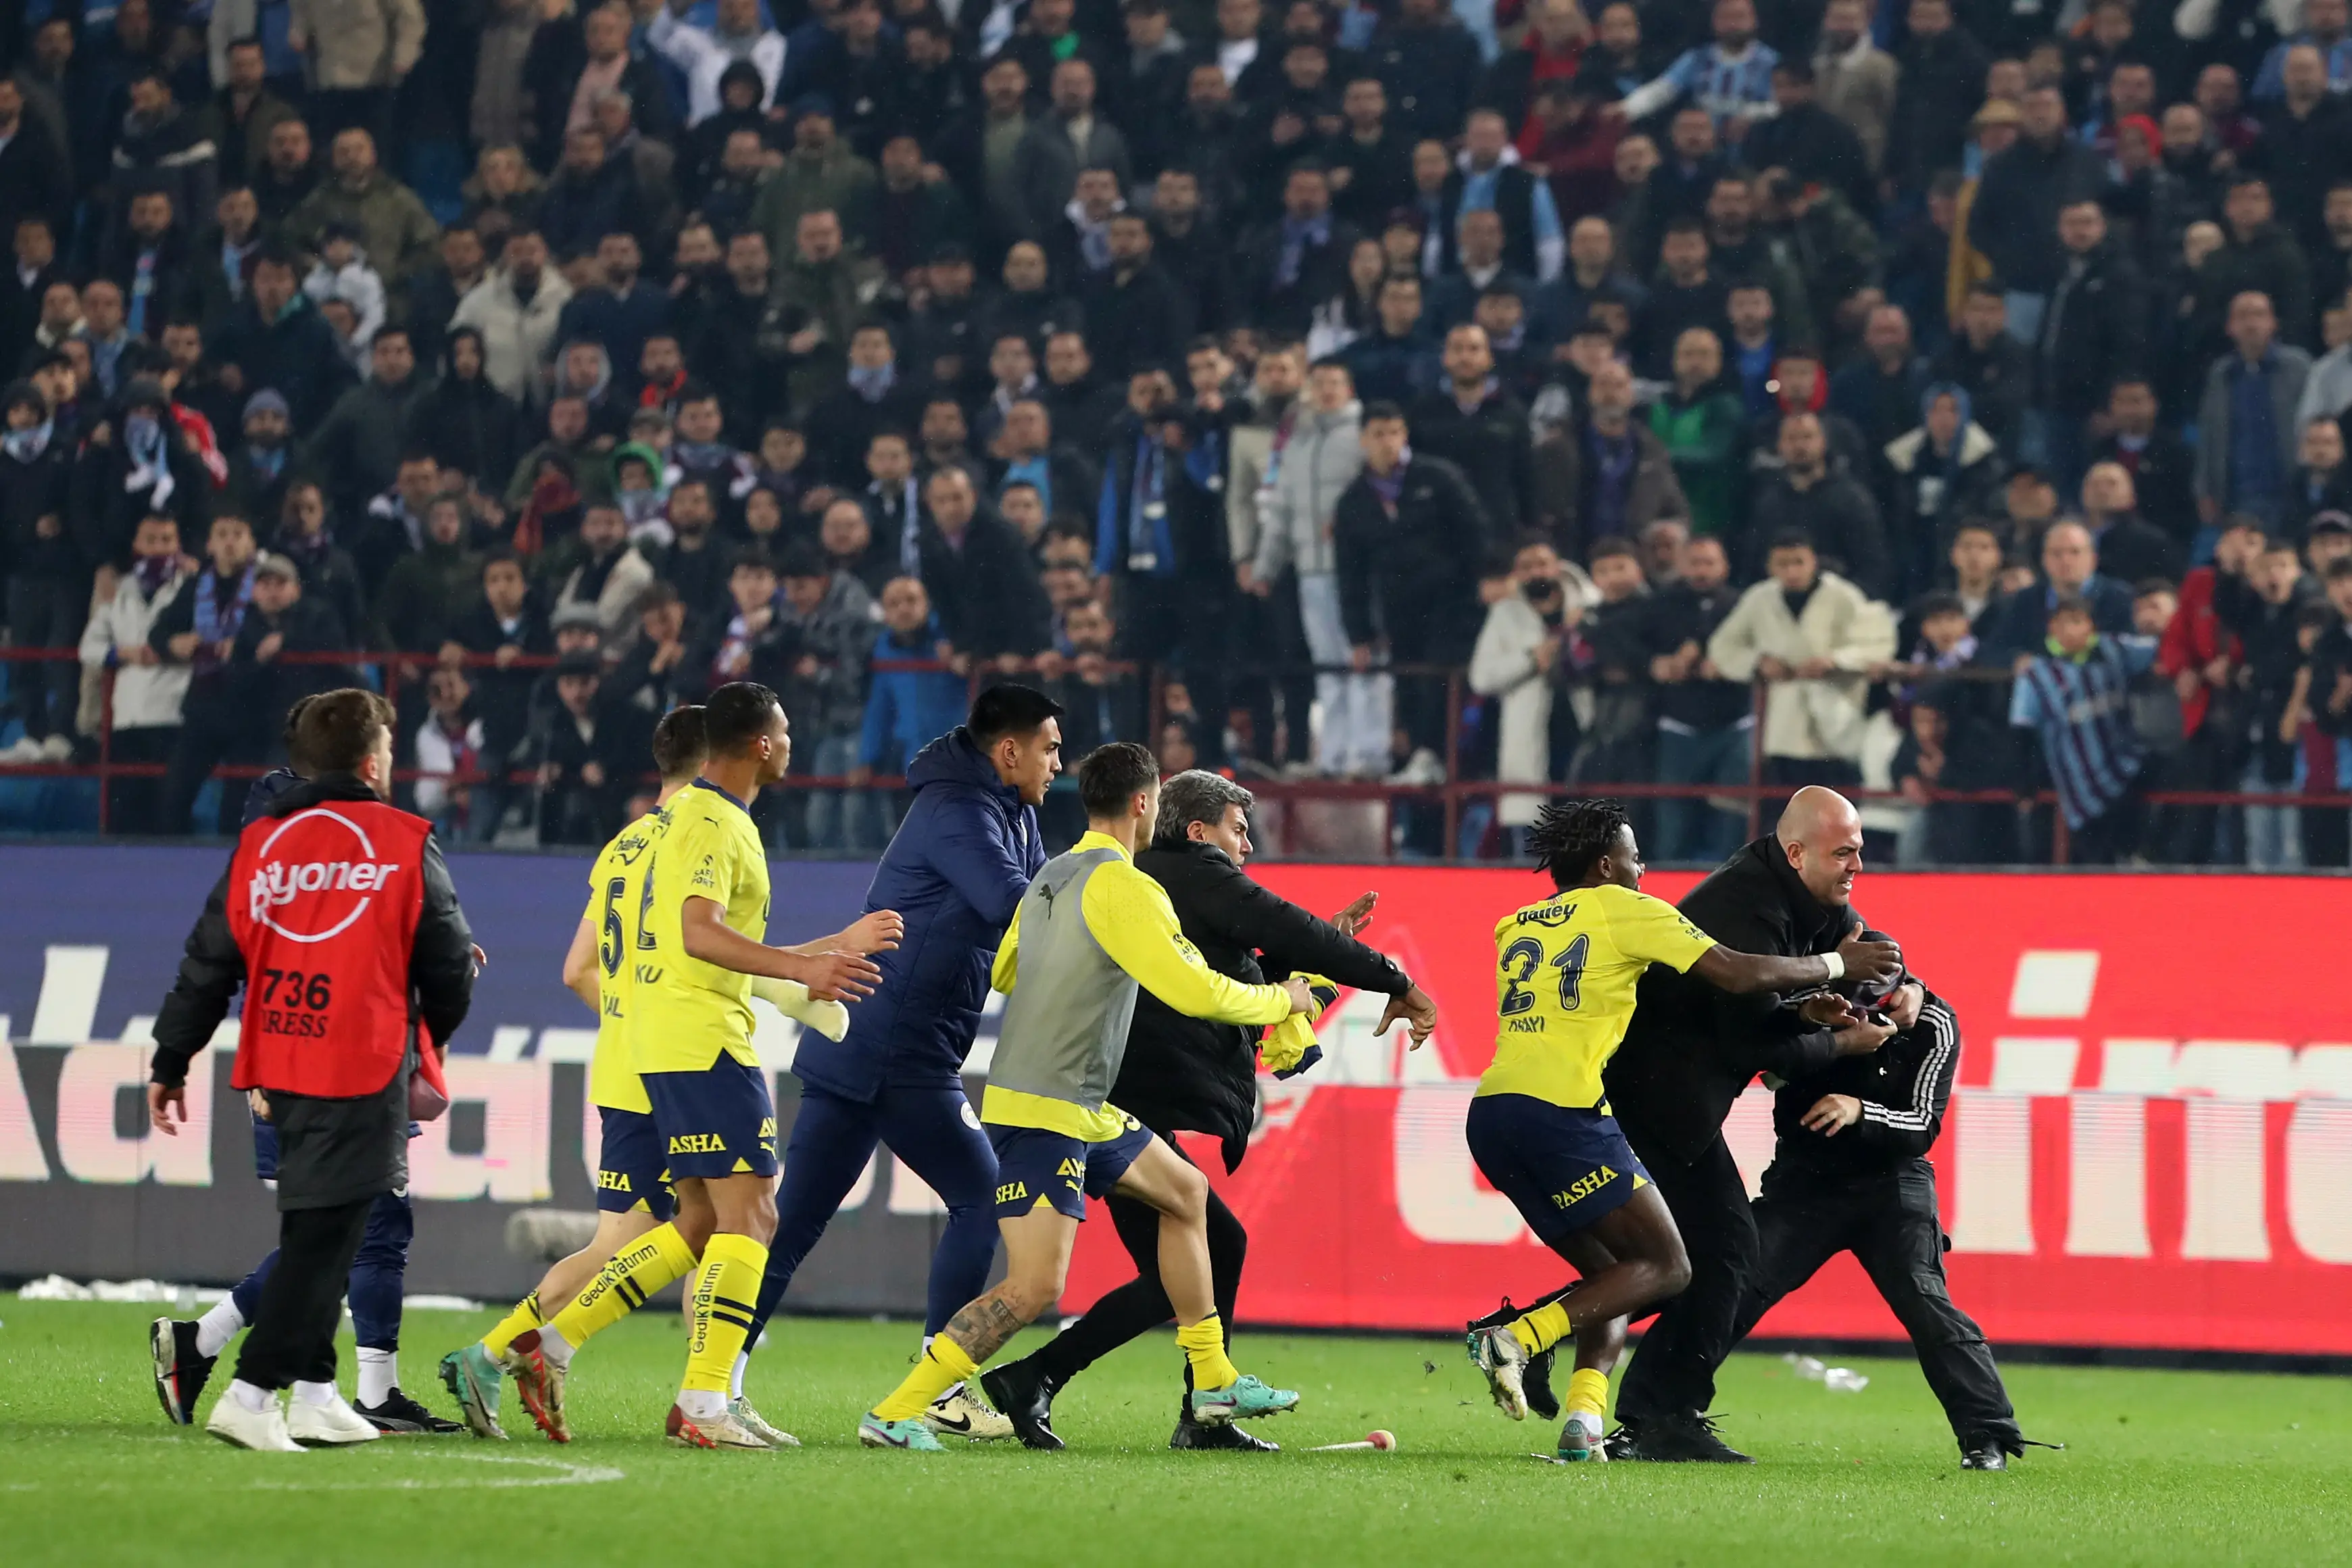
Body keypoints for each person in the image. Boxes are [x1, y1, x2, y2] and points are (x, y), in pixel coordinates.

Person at [858, 742, 1317, 1452]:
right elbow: (1194, 990)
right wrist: (1282, 999)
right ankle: (897, 1409)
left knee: (1186, 1193)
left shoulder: (1050, 875)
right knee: (1034, 1287)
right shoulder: (1127, 887)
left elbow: (1007, 971)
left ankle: (1213, 1376)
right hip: (1047, 1104)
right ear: (1144, 803)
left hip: (1080, 1101)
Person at [978, 770, 1438, 1452]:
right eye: (1238, 829)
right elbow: (1286, 932)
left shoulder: (1159, 882)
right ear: (1198, 830)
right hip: (1113, 1107)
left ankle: (1114, 1393)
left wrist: (1327, 954)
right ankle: (1069, 1385)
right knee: (1199, 1259)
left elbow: (1247, 983)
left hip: (1116, 1099)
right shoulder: (1190, 872)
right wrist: (1391, 977)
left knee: (1198, 1262)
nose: (1247, 845)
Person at [441, 706, 858, 1444]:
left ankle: (569, 1359)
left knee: (690, 1227)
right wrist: (799, 974)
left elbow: (582, 969)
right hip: (685, 1050)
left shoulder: (629, 843)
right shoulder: (704, 828)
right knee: (718, 1222)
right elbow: (701, 949)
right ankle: (680, 1390)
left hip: (635, 1055)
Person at [1463, 798, 1901, 1461]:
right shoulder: (1626, 908)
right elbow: (1736, 970)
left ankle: (1584, 1423)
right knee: (1671, 1265)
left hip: (1494, 1112)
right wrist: (1840, 966)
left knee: (1616, 1275)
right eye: (1635, 857)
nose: (1643, 870)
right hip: (1566, 1111)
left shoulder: (1516, 923)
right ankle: (1519, 1339)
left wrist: (1799, 1011)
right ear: (1606, 866)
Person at [733, 685, 1067, 1443]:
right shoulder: (957, 809)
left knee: (792, 1223)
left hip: (877, 1041)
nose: (1058, 763)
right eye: (1049, 748)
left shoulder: (1010, 810)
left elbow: (1036, 911)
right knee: (983, 1196)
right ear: (1008, 750)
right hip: (896, 1049)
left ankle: (716, 1386)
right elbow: (1016, 907)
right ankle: (935, 1387)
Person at [145, 689, 476, 1450]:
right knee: (331, 1237)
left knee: (322, 1227)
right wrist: (422, 1036)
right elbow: (451, 963)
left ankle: (318, 1393)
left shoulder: (261, 843)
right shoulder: (402, 839)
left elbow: (208, 960)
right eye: (386, 747)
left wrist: (172, 1057)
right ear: (372, 763)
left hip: (278, 1059)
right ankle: (251, 1391)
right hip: (360, 1061)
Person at [1600, 787, 1903, 1461]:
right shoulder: (1745, 907)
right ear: (1796, 853)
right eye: (1844, 853)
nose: (1857, 866)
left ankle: (1560, 1352)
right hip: (1659, 1100)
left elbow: (1871, 949)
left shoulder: (1802, 895)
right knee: (1725, 1252)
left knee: (1695, 1260)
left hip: (1677, 1099)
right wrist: (1839, 1043)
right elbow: (1753, 1048)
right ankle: (1654, 1412)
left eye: (1858, 851)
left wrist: (1897, 989)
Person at [1727, 965, 2027, 1469]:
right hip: (1805, 1180)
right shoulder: (1803, 1007)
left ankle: (1988, 1434)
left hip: (1893, 1182)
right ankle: (1659, 1417)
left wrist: (1861, 1110)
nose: (1855, 1018)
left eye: (1868, 1008)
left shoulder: (1933, 1021)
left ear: (1894, 996)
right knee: (1734, 1288)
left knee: (1923, 1298)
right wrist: (1824, 1038)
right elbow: (1767, 1061)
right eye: (1846, 1008)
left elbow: (1923, 1126)